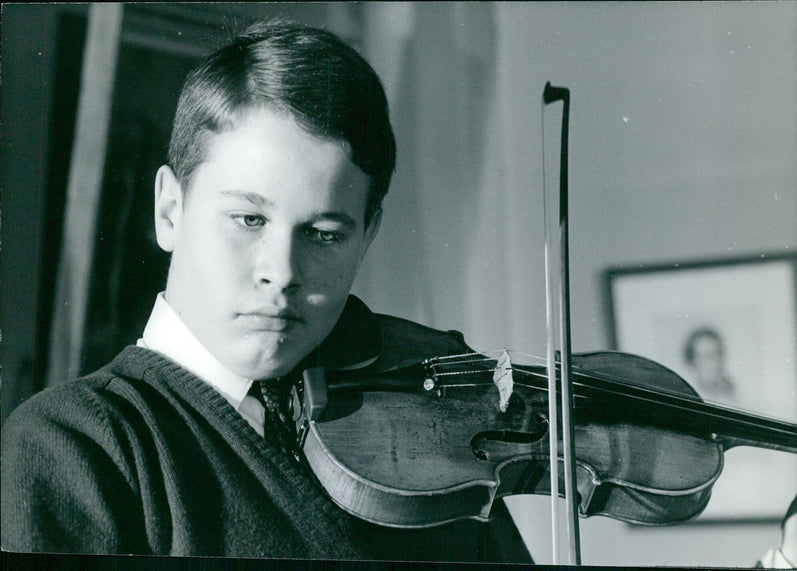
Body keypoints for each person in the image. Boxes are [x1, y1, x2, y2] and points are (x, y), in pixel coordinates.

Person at [0, 20, 531, 562]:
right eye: (249, 219)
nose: (281, 272)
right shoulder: (73, 443)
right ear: (169, 210)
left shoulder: (429, 445)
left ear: (367, 236)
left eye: (324, 235)